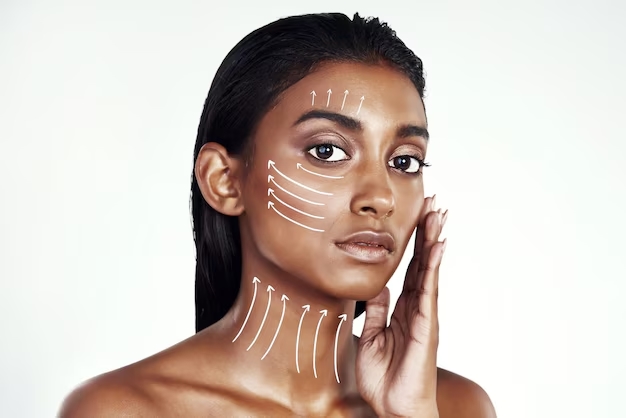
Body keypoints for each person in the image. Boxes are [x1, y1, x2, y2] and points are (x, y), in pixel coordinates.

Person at [60, 12, 496, 417]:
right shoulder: (124, 409)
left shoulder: (456, 406)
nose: (381, 198)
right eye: (327, 151)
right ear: (224, 181)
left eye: (404, 161)